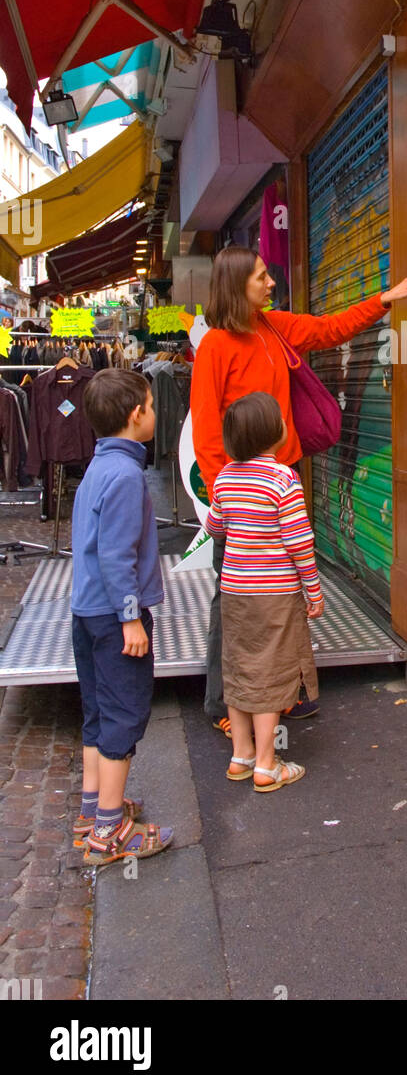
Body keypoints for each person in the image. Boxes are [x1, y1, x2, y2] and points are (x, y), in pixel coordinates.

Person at [191, 245, 407, 739]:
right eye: (260, 278)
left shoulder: (273, 325)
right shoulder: (215, 346)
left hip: (284, 475)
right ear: (237, 286)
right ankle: (222, 699)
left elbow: (328, 329)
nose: (271, 282)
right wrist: (222, 498)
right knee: (234, 601)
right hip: (241, 493)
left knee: (285, 590)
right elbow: (208, 432)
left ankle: (284, 694)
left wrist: (384, 298)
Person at [70, 369, 173, 866]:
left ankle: (93, 811)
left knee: (96, 711)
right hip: (114, 618)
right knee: (123, 715)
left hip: (86, 611)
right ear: (137, 416)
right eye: (152, 406)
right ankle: (110, 831)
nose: (155, 413)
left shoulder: (97, 467)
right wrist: (131, 617)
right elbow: (117, 554)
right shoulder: (128, 475)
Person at [205, 391, 323, 792]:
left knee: (238, 668)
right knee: (271, 674)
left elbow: (213, 529)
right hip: (275, 594)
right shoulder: (283, 479)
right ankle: (268, 765)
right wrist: (314, 590)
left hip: (235, 591)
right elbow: (300, 543)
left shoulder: (225, 477)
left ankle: (241, 756)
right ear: (275, 432)